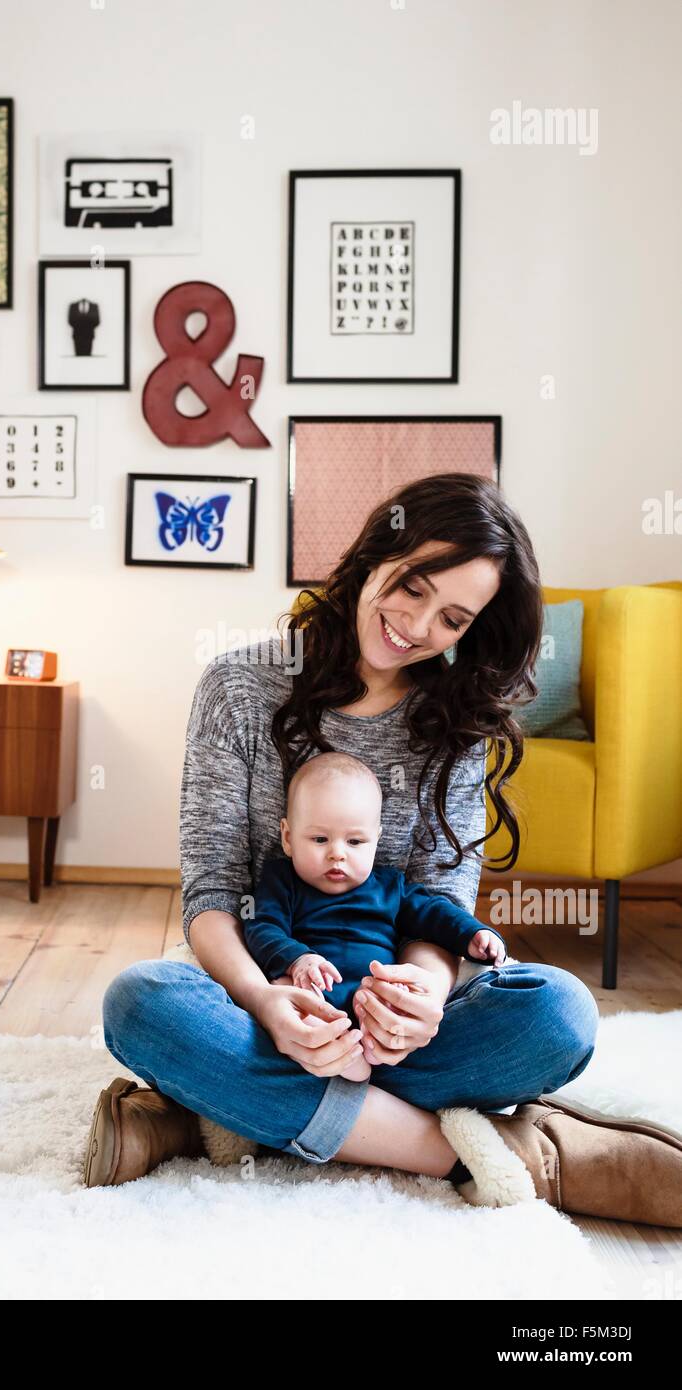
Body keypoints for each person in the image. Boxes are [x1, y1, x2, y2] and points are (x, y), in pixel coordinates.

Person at [87, 473, 682, 1228]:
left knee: (559, 1015)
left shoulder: (458, 719)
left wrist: (424, 998)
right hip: (269, 995)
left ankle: (217, 1113)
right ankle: (488, 1154)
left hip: (388, 1015)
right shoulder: (238, 687)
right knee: (144, 1004)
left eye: (452, 617)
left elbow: (442, 900)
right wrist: (266, 1003)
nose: (416, 623)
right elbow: (211, 895)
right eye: (414, 585)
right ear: (376, 554)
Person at [245, 749, 509, 1083]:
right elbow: (261, 928)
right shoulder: (282, 881)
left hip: (371, 994)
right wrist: (297, 960)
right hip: (312, 992)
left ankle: (369, 1053)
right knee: (283, 987)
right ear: (287, 838)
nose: (337, 853)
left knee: (398, 998)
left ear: (376, 840)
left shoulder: (390, 887)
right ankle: (332, 1052)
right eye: (319, 839)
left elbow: (435, 913)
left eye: (355, 841)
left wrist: (472, 934)